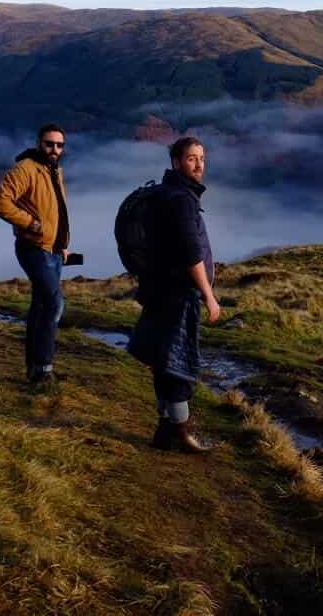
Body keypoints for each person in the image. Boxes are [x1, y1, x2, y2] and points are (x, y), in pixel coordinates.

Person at [128, 135, 222, 453]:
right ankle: (180, 434)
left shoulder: (165, 194)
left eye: (202, 158)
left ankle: (165, 429)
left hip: (158, 289)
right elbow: (191, 253)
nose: (198, 165)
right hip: (178, 293)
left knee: (162, 359)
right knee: (178, 363)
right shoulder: (181, 200)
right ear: (176, 162)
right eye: (192, 158)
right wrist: (208, 295)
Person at [0, 123, 72, 387]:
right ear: (39, 143)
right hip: (33, 248)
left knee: (40, 309)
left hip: (53, 251)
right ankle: (44, 370)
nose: (55, 149)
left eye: (59, 145)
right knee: (54, 304)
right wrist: (31, 224)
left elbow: (56, 209)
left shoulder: (54, 170)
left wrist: (63, 244)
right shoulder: (26, 169)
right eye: (50, 144)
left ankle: (36, 371)